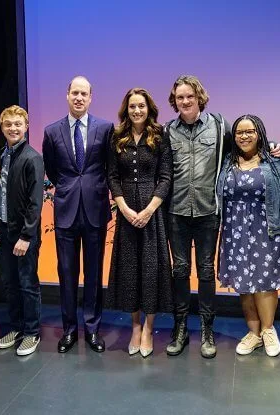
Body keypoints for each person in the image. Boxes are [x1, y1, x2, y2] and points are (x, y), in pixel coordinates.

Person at [42, 76, 114, 353]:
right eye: (75, 93)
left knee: (94, 275)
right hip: (66, 212)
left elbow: (109, 167)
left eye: (84, 93)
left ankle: (93, 330)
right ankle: (69, 330)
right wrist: (69, 187)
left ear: (91, 97)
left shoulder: (106, 128)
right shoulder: (51, 131)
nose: (79, 98)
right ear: (67, 95)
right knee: (67, 273)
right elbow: (51, 168)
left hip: (95, 210)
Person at [164, 75, 232, 359]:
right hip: (176, 211)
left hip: (207, 211)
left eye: (189, 96)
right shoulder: (167, 130)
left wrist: (274, 148)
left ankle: (207, 329)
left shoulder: (219, 126)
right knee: (179, 270)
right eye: (180, 97)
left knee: (205, 271)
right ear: (174, 101)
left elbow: (240, 151)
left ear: (199, 97)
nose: (185, 101)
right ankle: (180, 327)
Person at [216, 115, 280, 357]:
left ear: (259, 133)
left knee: (266, 282)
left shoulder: (274, 161)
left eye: (250, 131)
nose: (244, 136)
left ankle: (268, 330)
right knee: (243, 283)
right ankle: (253, 333)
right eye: (239, 132)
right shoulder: (226, 162)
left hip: (267, 228)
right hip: (234, 230)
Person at [105, 88, 172, 357]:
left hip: (152, 212)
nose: (137, 111)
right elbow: (112, 176)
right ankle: (134, 326)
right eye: (132, 106)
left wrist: (149, 210)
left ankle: (148, 328)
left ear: (149, 108)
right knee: (130, 271)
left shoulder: (160, 136)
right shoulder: (117, 137)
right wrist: (124, 207)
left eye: (141, 106)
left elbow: (166, 177)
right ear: (126, 109)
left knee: (151, 271)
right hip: (126, 212)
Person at [0, 106, 44, 356]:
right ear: (2, 127)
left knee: (27, 284)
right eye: (8, 124)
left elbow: (36, 202)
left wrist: (26, 236)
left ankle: (32, 332)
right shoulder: (3, 155)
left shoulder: (32, 158)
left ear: (26, 126)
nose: (13, 128)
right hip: (4, 230)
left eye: (18, 124)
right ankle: (16, 327)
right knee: (10, 283)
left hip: (24, 235)